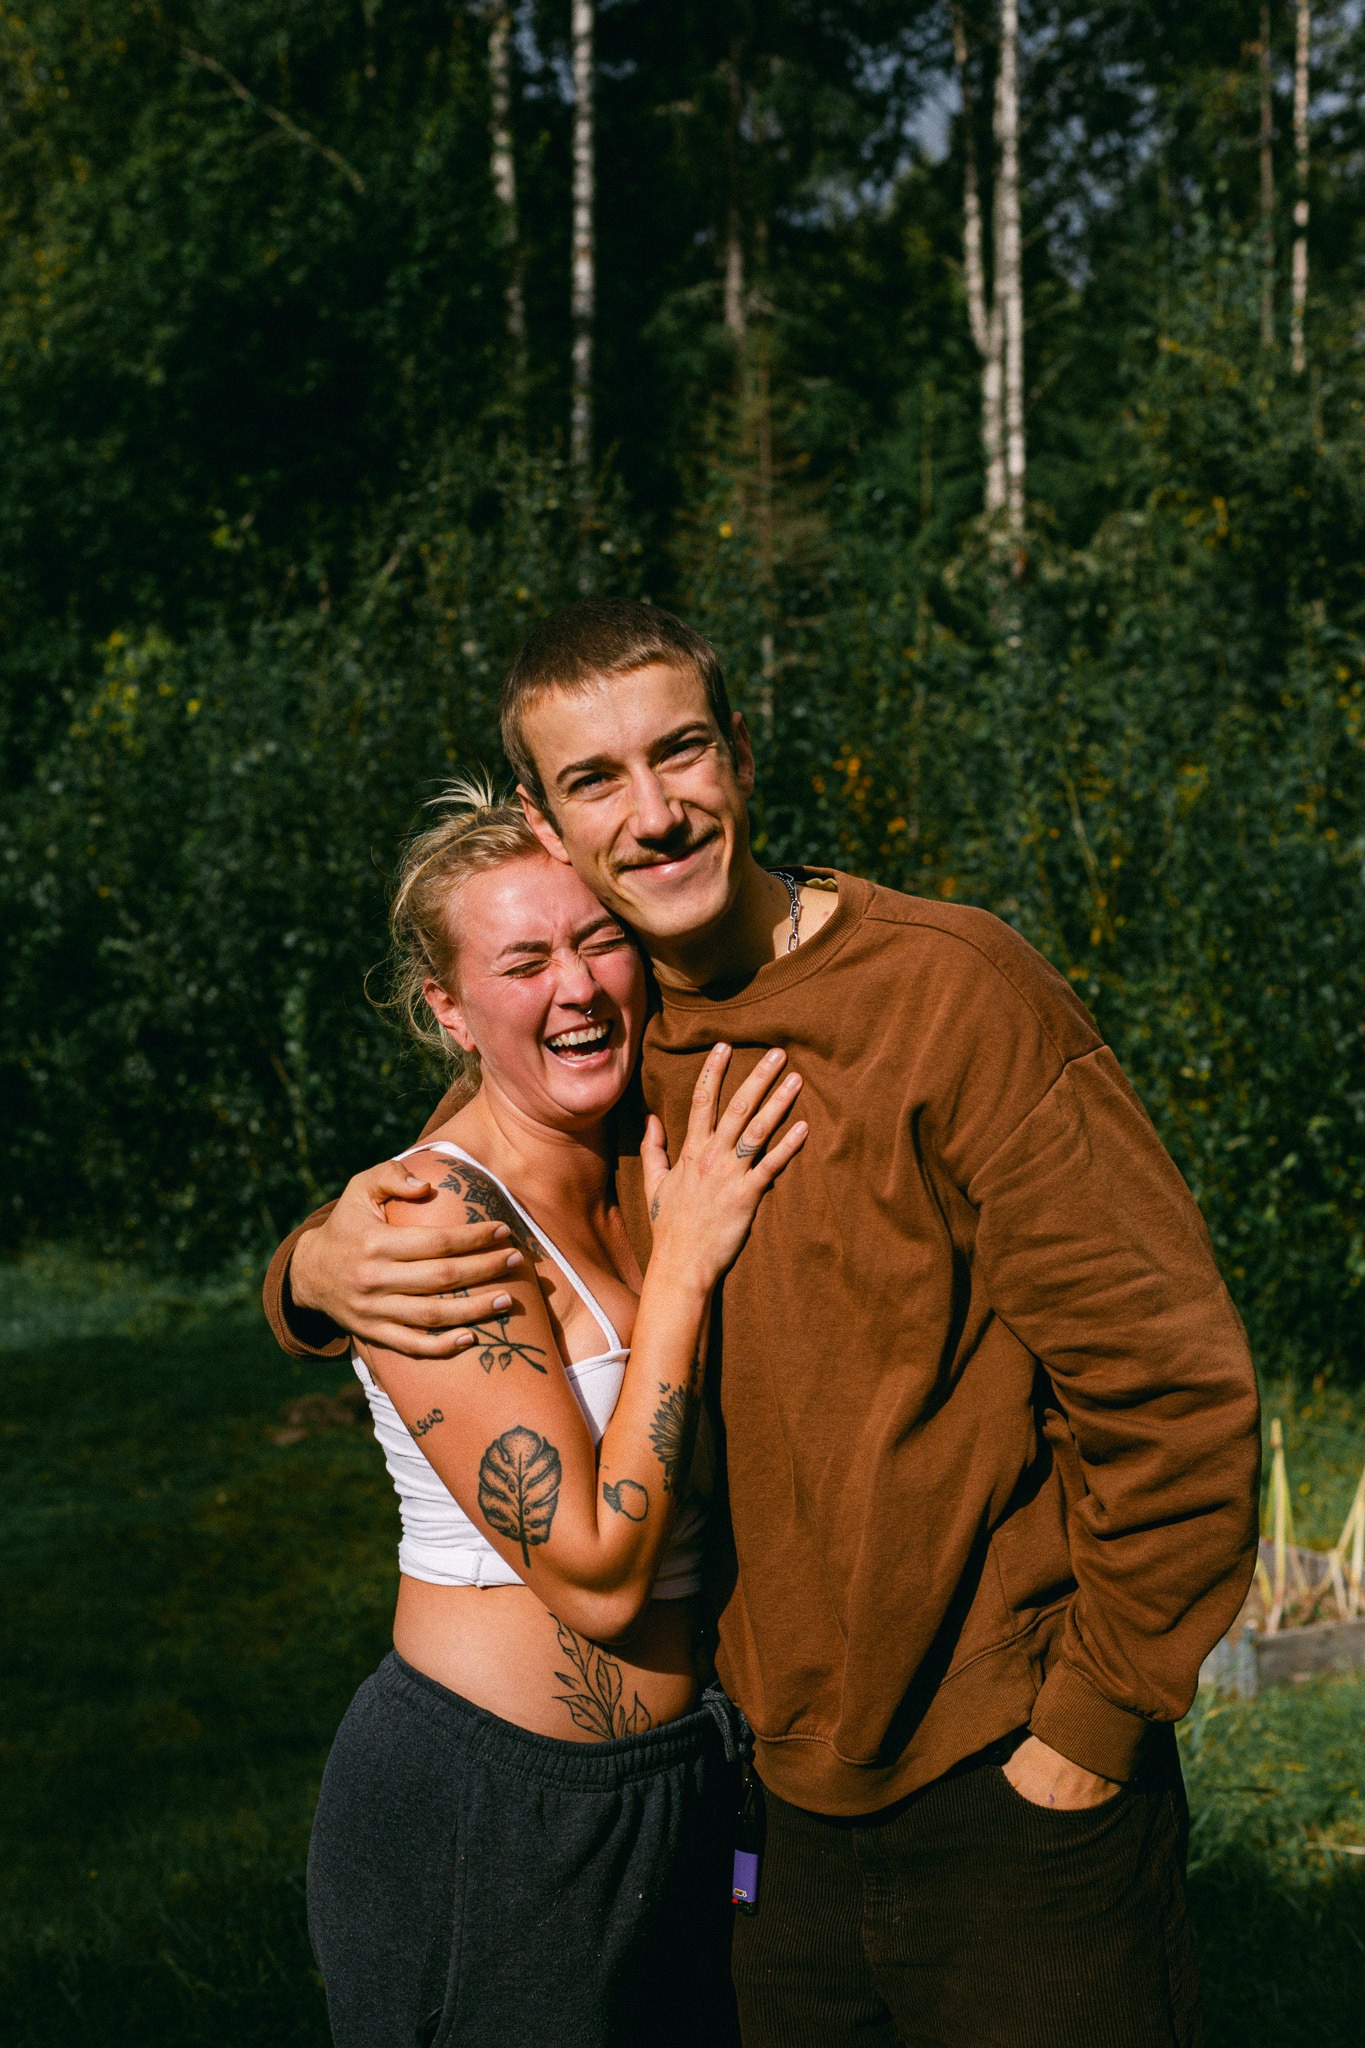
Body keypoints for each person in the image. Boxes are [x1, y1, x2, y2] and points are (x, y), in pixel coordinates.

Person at [267, 600, 1261, 2048]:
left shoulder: (948, 995)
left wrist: (1089, 1731)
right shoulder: (612, 1033)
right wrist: (303, 1271)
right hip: (757, 1821)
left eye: (680, 753)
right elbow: (448, 1189)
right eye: (595, 779)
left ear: (740, 752)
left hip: (1005, 1782)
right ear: (547, 823)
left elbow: (1168, 1381)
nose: (656, 814)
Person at [303, 776, 807, 2048]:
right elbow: (590, 1572)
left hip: (684, 1783)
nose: (575, 988)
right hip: (494, 1804)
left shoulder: (634, 1152)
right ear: (450, 1010)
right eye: (522, 960)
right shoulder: (435, 1224)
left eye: (596, 940)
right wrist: (687, 1266)